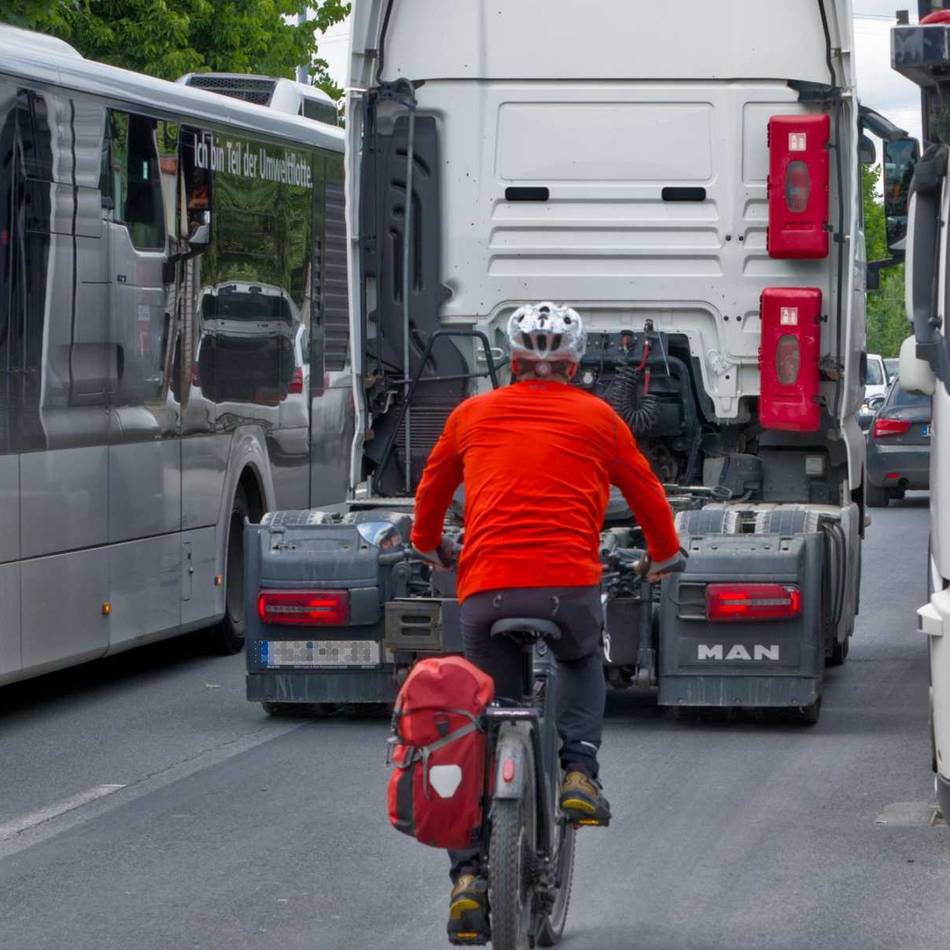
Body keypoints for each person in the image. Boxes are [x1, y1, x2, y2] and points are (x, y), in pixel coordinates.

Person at [410, 302, 683, 942]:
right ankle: (579, 772)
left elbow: (430, 492)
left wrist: (430, 545)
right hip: (567, 590)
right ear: (574, 364)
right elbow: (647, 494)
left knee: (479, 721)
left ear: (511, 363)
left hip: (487, 592)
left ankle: (470, 881)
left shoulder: (469, 415)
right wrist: (664, 556)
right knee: (581, 658)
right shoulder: (600, 418)